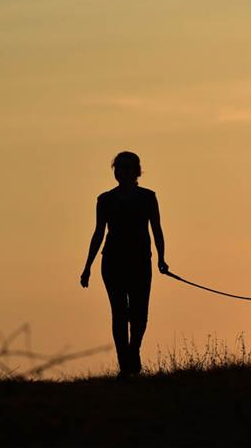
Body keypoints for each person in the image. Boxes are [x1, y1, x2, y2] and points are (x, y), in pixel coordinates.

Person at [80, 151, 168, 378]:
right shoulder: (105, 200)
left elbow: (156, 228)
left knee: (139, 313)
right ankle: (125, 365)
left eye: (126, 168)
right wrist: (87, 266)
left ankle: (133, 352)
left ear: (136, 171)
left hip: (140, 261)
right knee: (119, 313)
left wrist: (161, 258)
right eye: (118, 168)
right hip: (113, 262)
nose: (122, 172)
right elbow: (99, 233)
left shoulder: (148, 197)